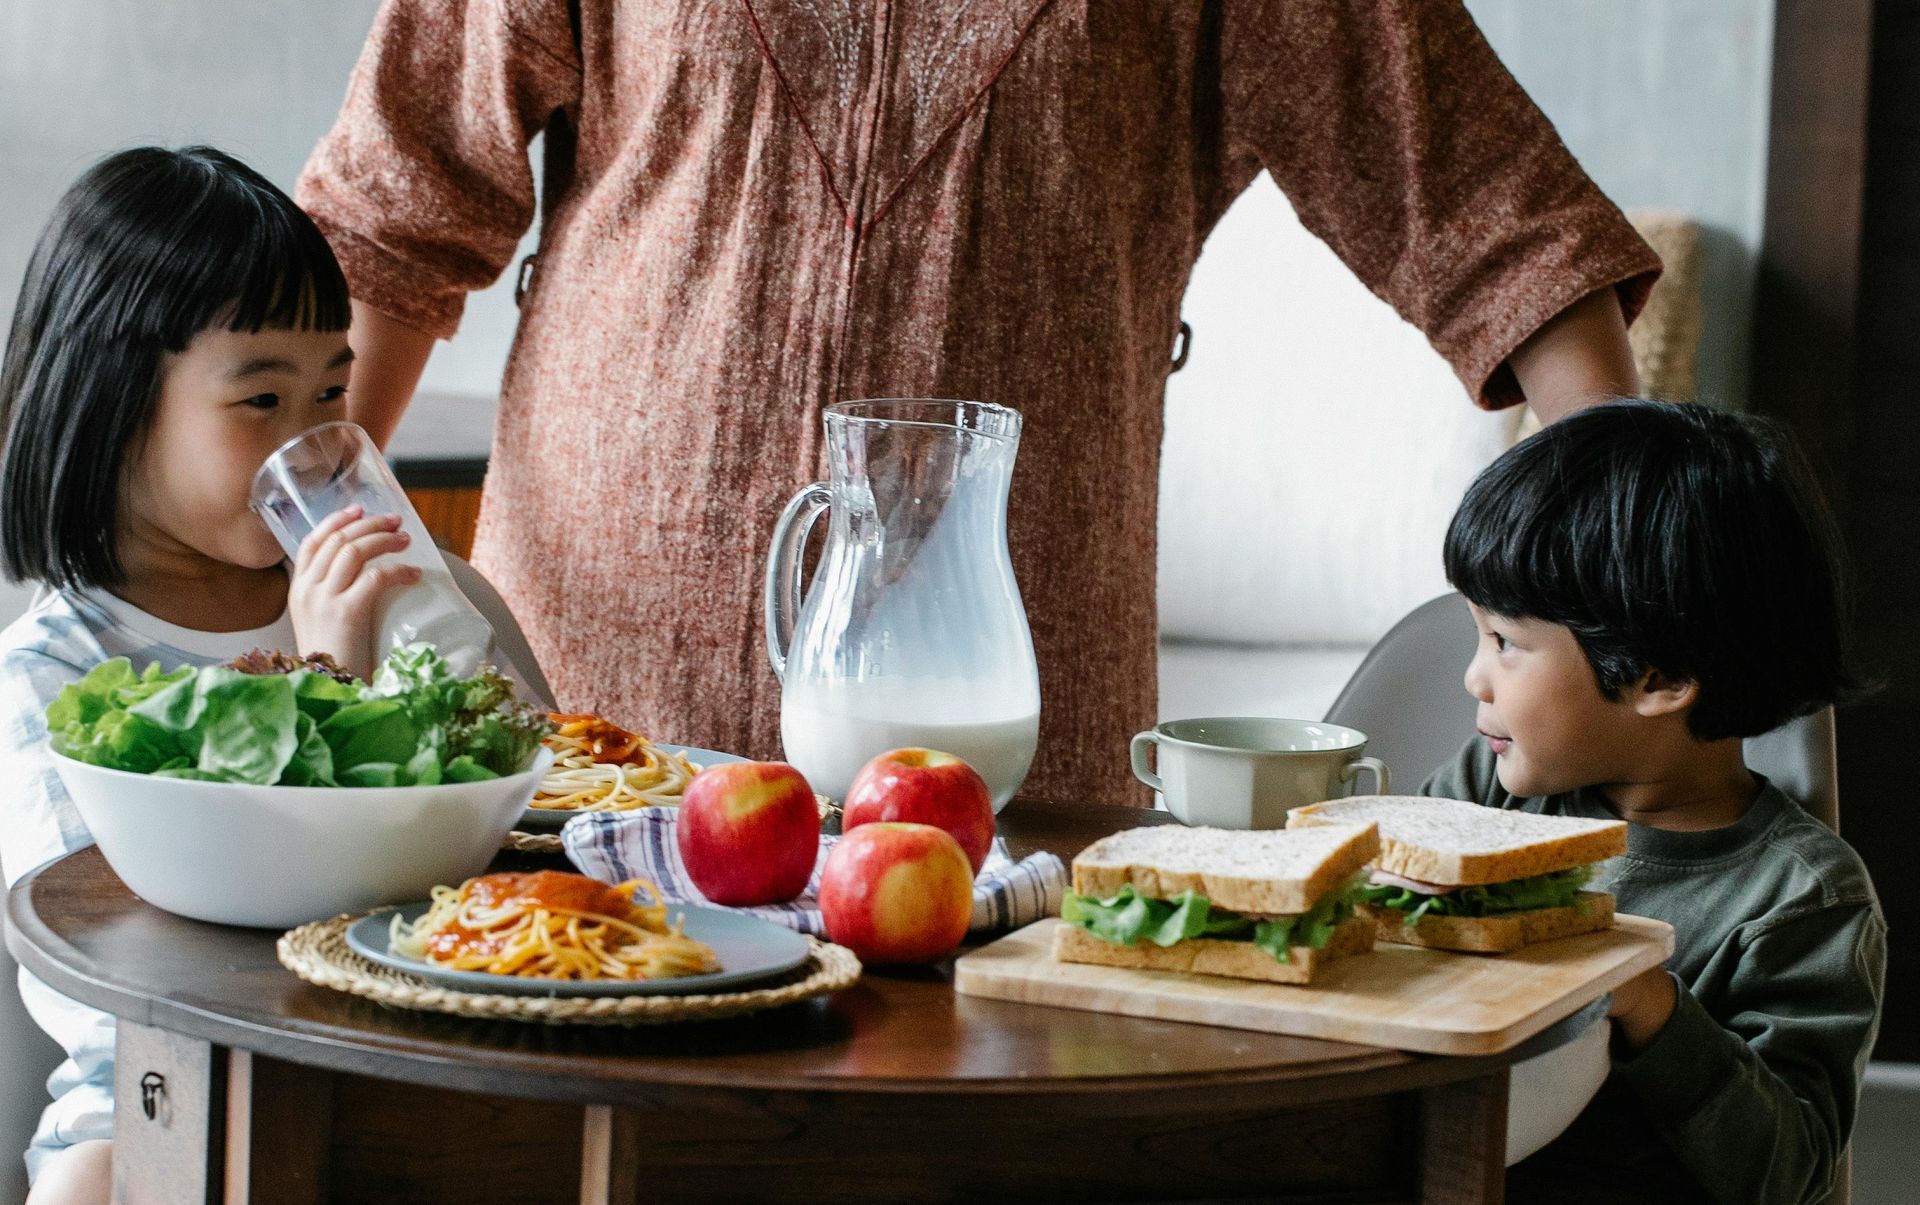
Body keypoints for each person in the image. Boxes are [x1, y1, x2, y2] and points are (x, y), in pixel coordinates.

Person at [297, 1, 1662, 806]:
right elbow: (389, 211)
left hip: (1010, 765)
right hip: (576, 723)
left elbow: (1497, 219)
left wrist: (1634, 581)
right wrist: (297, 570)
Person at [0, 146, 434, 1201]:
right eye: (259, 400)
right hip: (161, 1085)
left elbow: (512, 815)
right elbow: (131, 957)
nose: (313, 441)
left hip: (403, 1061)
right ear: (115, 397)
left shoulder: (378, 596)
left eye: (331, 390)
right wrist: (325, 679)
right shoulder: (51, 672)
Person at [1424, 400, 1885, 1204]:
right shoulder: (1484, 794)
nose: (1474, 675)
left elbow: (1791, 1173)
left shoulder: (1801, 900)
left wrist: (1648, 996)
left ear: (1660, 678)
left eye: (1505, 642)